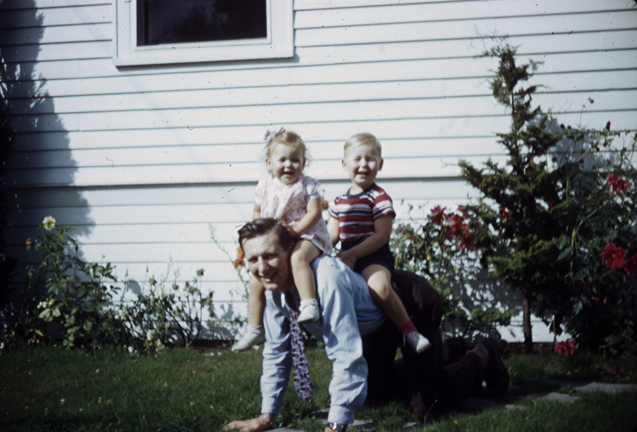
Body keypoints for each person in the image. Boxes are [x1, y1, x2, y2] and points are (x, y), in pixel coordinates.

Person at [223, 218, 509, 432]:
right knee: (375, 396)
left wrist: (335, 425)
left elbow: (345, 354)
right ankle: (451, 348)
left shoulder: (326, 280)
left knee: (426, 404)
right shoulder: (273, 288)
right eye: (253, 259)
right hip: (374, 325)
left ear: (291, 250)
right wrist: (265, 417)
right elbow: (276, 352)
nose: (262, 267)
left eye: (270, 255)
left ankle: (483, 353)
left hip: (407, 303)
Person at [327, 132, 430, 353]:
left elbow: (382, 235)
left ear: (380, 164)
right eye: (357, 159)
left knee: (379, 287)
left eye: (370, 159)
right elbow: (331, 236)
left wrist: (353, 254)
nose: (364, 164)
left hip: (373, 257)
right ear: (344, 164)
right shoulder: (338, 201)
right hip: (347, 256)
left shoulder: (379, 198)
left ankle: (408, 329)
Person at [232, 129, 332, 351]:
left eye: (295, 160)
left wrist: (295, 231)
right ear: (269, 163)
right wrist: (262, 232)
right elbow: (257, 212)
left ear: (303, 163)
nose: (289, 165)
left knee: (297, 258)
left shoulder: (308, 185)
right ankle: (255, 328)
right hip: (276, 239)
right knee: (256, 279)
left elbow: (314, 213)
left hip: (306, 236)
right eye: (282, 160)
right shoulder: (264, 185)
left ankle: (309, 304)